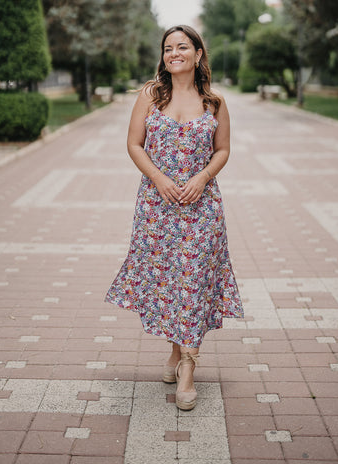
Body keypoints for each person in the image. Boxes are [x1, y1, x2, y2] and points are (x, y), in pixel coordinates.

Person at [105, 24, 243, 410]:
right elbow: (134, 144)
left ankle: (187, 368)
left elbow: (222, 150)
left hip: (202, 207)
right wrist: (160, 179)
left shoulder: (214, 102)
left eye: (183, 47)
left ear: (199, 54)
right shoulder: (151, 95)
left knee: (195, 280)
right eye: (168, 48)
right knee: (169, 281)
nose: (174, 53)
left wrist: (202, 177)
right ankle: (175, 351)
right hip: (157, 206)